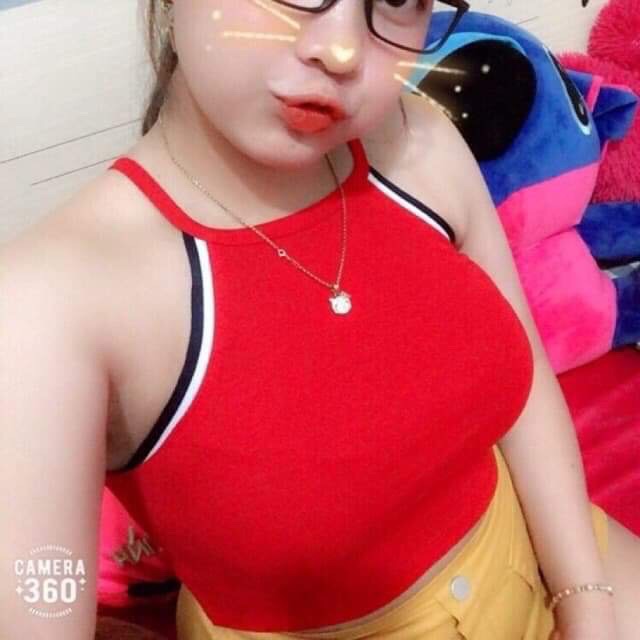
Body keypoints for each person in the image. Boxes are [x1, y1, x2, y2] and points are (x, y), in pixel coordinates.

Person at [1, 1, 639, 639]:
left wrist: (585, 600)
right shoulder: (47, 302)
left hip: (532, 552)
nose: (342, 51)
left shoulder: (420, 143)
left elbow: (528, 393)